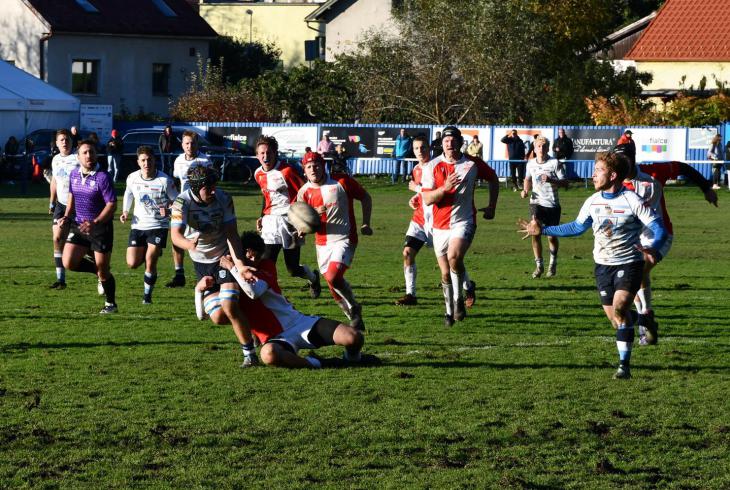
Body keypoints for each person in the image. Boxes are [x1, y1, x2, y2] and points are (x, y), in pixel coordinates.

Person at [518, 151, 667, 379]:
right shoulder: (592, 201)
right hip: (602, 265)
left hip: (629, 262)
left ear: (613, 175)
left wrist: (654, 247)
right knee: (616, 319)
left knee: (620, 309)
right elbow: (576, 227)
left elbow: (658, 227)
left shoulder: (632, 200)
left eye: (599, 170)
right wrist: (544, 230)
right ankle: (645, 319)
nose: (593, 174)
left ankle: (624, 367)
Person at [202, 231, 380, 369]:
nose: (254, 260)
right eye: (249, 256)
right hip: (274, 338)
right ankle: (322, 363)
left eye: (257, 255)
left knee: (354, 337)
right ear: (240, 254)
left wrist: (233, 268)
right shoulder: (229, 281)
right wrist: (199, 289)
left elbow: (254, 292)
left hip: (299, 323)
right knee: (268, 355)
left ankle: (353, 359)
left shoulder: (266, 266)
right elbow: (207, 313)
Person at [614, 143, 718, 345]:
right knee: (634, 276)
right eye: (618, 162)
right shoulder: (615, 183)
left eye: (625, 160)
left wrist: (706, 188)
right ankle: (645, 320)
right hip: (633, 238)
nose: (621, 165)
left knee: (637, 271)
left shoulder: (654, 172)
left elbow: (683, 168)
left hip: (660, 235)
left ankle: (644, 318)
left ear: (633, 159)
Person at [171, 165, 258, 367]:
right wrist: (188, 244)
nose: (212, 191)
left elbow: (232, 234)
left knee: (229, 305)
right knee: (218, 316)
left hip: (223, 257)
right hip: (201, 263)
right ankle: (252, 325)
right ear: (195, 188)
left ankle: (250, 354)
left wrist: (240, 266)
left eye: (214, 186)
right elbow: (175, 236)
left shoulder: (223, 198)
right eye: (207, 188)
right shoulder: (181, 202)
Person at [421, 126, 499, 326]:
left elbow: (493, 178)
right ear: (442, 144)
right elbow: (427, 198)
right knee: (445, 272)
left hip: (464, 220)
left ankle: (458, 300)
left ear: (460, 143)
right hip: (439, 226)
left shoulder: (472, 164)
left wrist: (492, 206)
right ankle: (449, 312)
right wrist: (444, 188)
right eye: (446, 141)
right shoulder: (432, 166)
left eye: (453, 140)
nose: (449, 144)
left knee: (454, 256)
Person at [395, 136, 477, 307]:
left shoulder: (438, 166)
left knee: (451, 260)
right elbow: (426, 194)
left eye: (423, 147)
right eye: (416, 148)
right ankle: (410, 294)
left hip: (439, 221)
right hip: (419, 220)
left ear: (430, 149)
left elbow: (441, 191)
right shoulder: (416, 169)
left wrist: (417, 189)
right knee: (407, 253)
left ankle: (467, 286)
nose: (420, 151)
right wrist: (415, 198)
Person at [297, 151, 373, 330]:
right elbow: (300, 219)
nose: (313, 169)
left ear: (323, 166)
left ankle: (354, 307)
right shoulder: (303, 192)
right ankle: (354, 318)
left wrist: (366, 223)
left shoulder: (342, 182)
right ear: (304, 171)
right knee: (333, 284)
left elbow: (365, 197)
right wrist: (302, 228)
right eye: (309, 167)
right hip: (322, 244)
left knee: (333, 276)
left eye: (316, 165)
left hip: (345, 238)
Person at [253, 135, 321, 297]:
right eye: (262, 153)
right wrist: (262, 216)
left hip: (291, 222)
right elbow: (267, 196)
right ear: (257, 155)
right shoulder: (258, 174)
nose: (265, 156)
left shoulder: (287, 171)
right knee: (267, 262)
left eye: (269, 153)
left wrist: (305, 220)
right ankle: (270, 296)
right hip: (270, 223)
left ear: (275, 153)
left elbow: (305, 192)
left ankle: (313, 278)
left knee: (292, 269)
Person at [56, 140, 118, 313]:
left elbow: (112, 204)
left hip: (100, 228)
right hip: (80, 226)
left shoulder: (103, 177)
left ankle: (111, 304)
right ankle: (97, 271)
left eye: (92, 152)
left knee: (104, 271)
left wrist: (95, 222)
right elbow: (72, 196)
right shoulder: (74, 174)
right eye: (85, 152)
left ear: (96, 154)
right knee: (68, 262)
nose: (89, 155)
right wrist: (67, 216)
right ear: (78, 156)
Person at [119, 146, 178, 304]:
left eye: (149, 160)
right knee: (132, 263)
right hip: (138, 225)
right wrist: (125, 211)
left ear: (154, 160)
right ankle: (150, 251)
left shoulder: (164, 180)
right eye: (143, 160)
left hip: (158, 225)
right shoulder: (132, 178)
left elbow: (178, 201)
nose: (146, 163)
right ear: (138, 162)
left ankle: (147, 297)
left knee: (150, 261)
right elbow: (128, 193)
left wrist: (169, 210)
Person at [168, 130, 212, 288]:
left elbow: (212, 183)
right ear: (182, 145)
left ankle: (207, 272)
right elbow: (175, 182)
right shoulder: (178, 160)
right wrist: (173, 200)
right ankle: (179, 274)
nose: (189, 146)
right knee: (176, 236)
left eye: (192, 143)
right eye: (186, 143)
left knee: (202, 239)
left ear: (197, 144)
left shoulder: (205, 160)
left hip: (201, 205)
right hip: (182, 204)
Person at [521, 136, 567, 278]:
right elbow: (527, 179)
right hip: (536, 202)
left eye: (544, 146)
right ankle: (539, 265)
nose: (541, 149)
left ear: (548, 148)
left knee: (551, 237)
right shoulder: (530, 164)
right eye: (539, 146)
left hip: (552, 205)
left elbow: (565, 183)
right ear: (534, 149)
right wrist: (525, 190)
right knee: (534, 230)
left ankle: (552, 262)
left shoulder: (555, 163)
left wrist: (551, 180)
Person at [48, 129, 79, 289]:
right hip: (61, 205)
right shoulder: (56, 159)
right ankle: (60, 279)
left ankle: (100, 274)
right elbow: (54, 181)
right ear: (57, 143)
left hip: (79, 206)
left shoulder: (78, 157)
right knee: (57, 238)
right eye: (61, 140)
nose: (65, 142)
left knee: (86, 245)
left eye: (67, 139)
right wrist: (51, 202)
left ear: (72, 141)